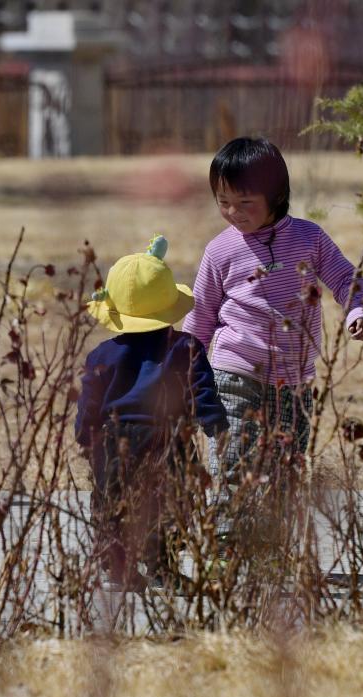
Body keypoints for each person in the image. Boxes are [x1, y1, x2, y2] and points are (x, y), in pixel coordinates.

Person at [182, 136, 363, 486]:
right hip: (234, 372)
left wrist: (357, 311)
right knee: (233, 465)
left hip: (294, 380)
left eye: (245, 202)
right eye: (223, 202)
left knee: (286, 473)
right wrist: (187, 370)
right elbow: (202, 315)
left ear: (276, 195)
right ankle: (228, 523)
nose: (233, 212)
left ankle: (275, 523)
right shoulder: (220, 251)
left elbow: (346, 278)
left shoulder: (308, 238)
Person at [76, 235, 227, 590]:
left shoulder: (101, 355)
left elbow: (89, 403)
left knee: (112, 501)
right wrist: (214, 422)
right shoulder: (186, 347)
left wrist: (85, 435)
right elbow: (202, 389)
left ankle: (116, 567)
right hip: (168, 439)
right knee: (170, 502)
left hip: (113, 440)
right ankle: (161, 565)